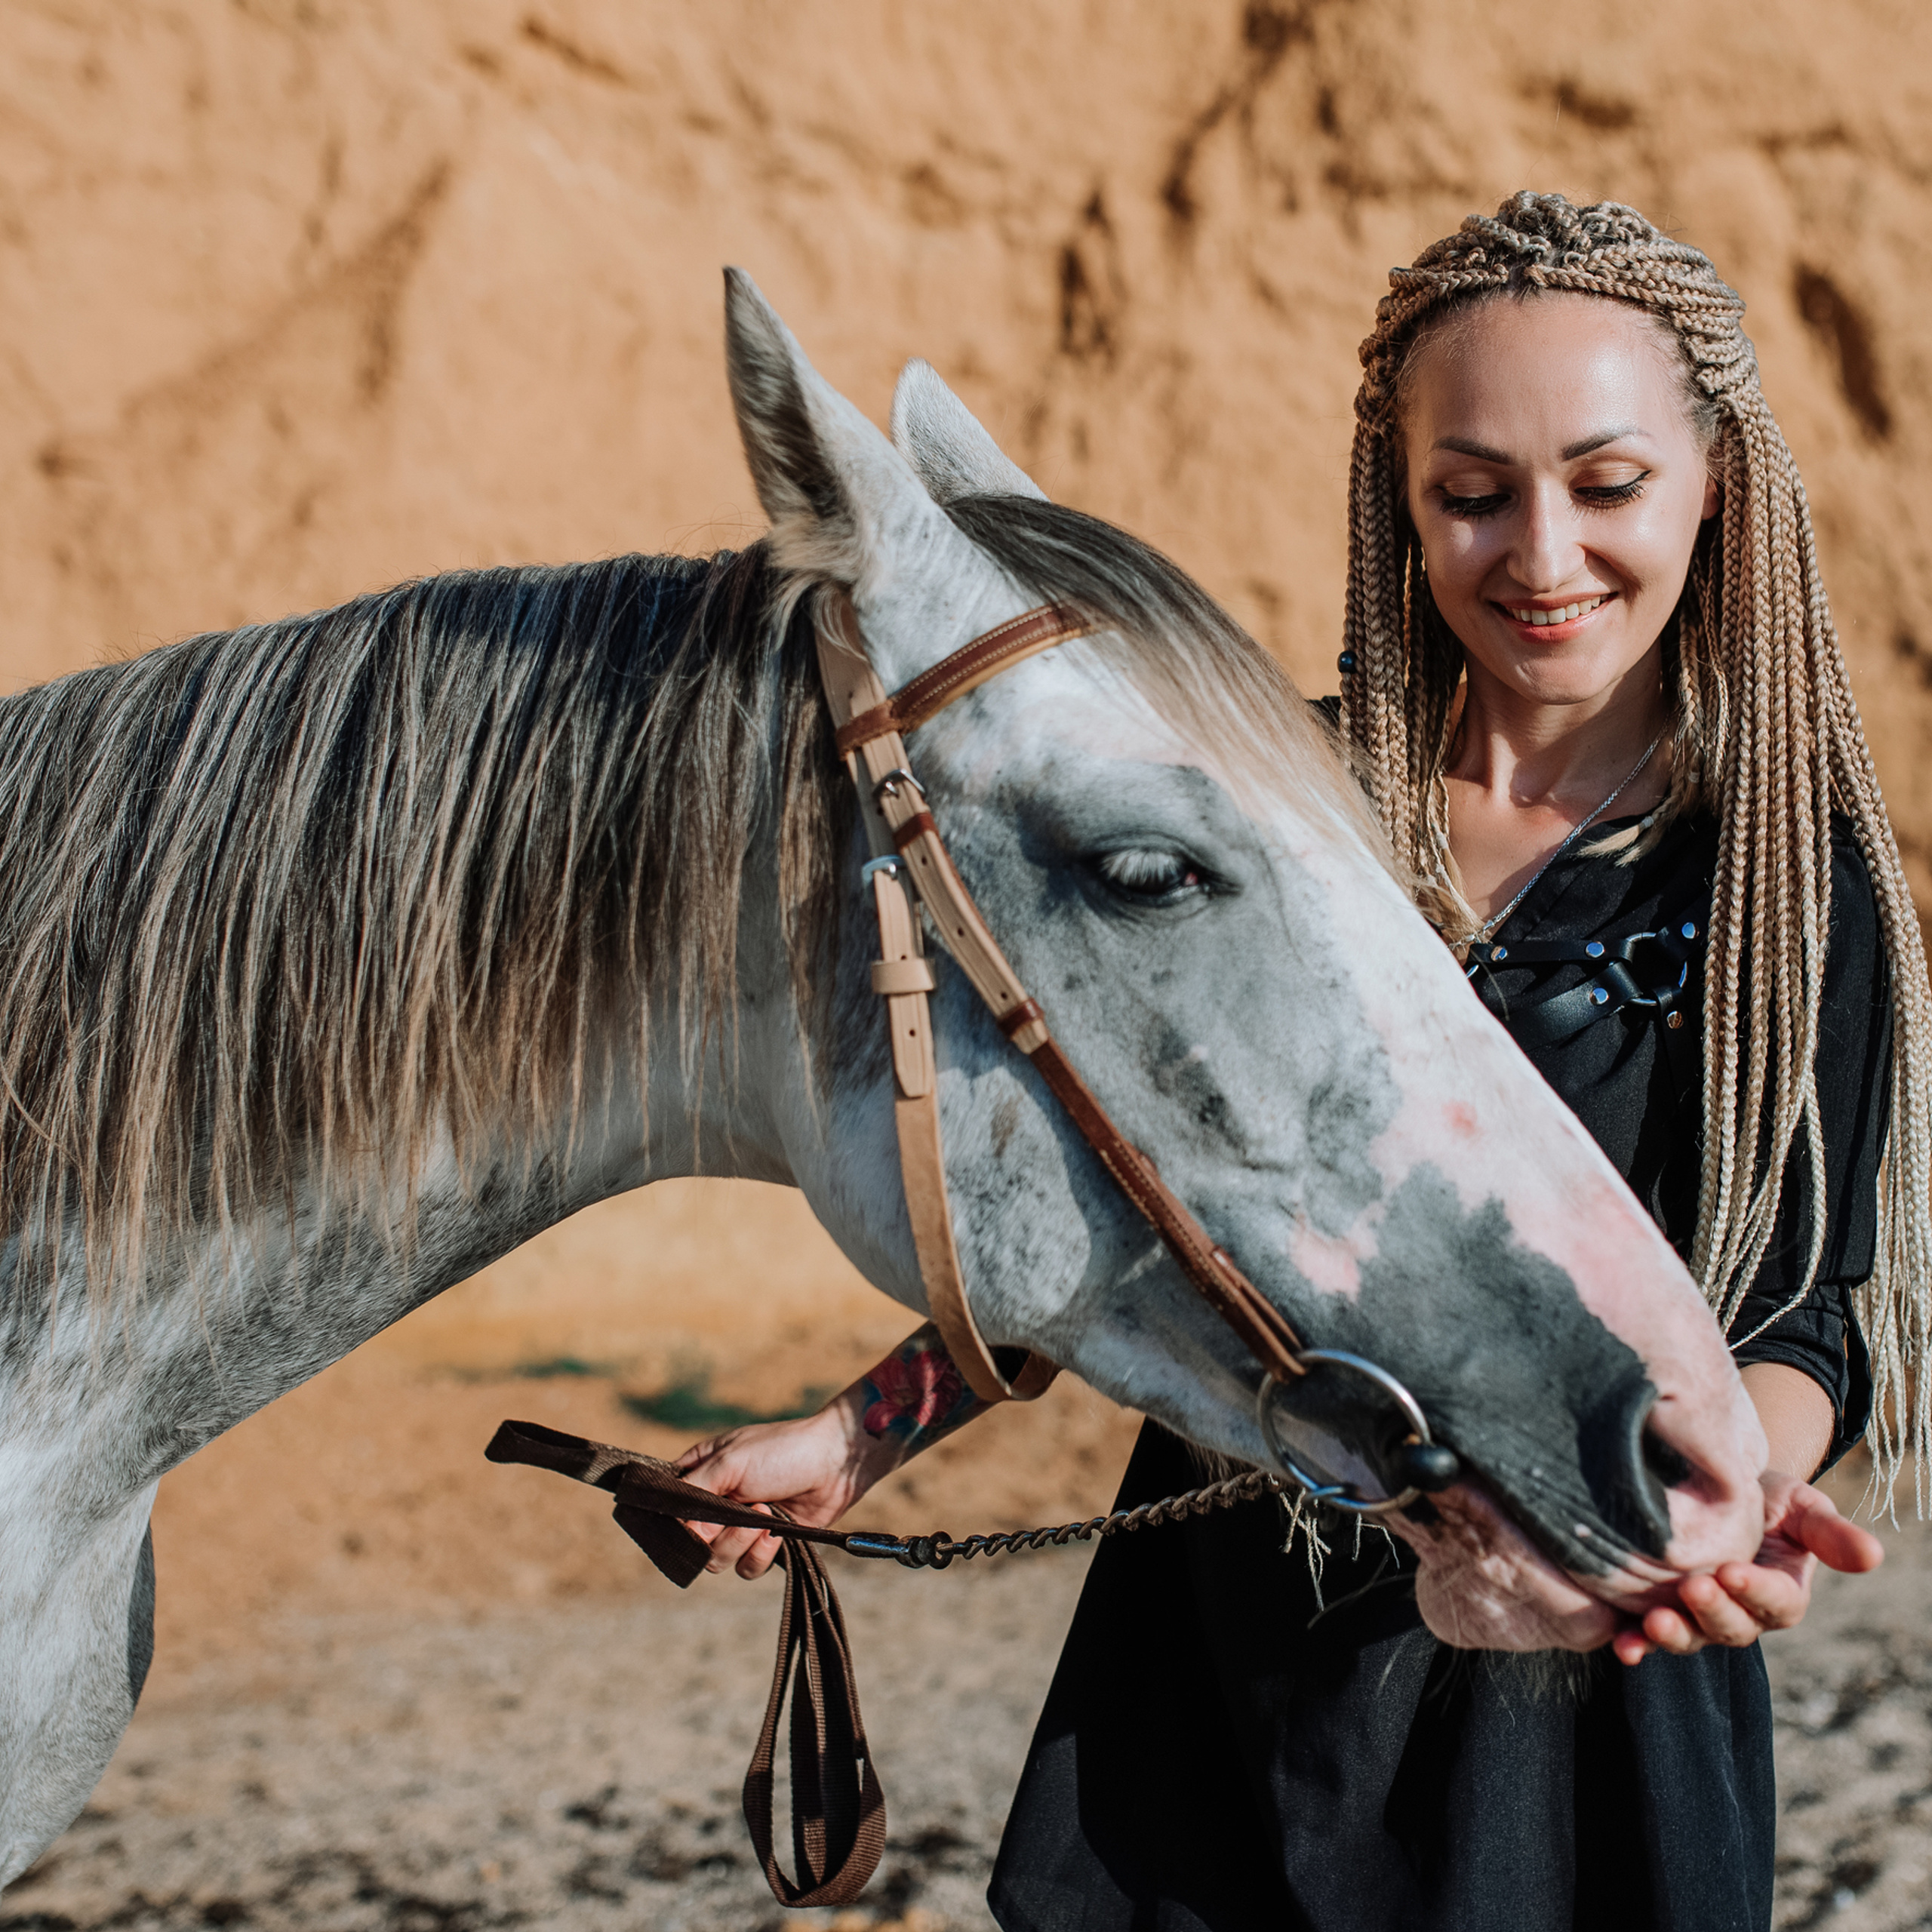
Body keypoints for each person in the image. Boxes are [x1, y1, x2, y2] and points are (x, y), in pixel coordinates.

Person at [674, 195, 1926, 1930]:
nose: (1540, 552)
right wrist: (862, 1430)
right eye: (1471, 492)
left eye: (1606, 482)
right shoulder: (1272, 811)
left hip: (1570, 1665)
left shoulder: (1785, 883)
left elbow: (1806, 1308)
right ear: (1398, 506)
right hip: (1216, 1647)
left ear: (1713, 482)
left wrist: (1731, 1499)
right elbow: (1129, 1184)